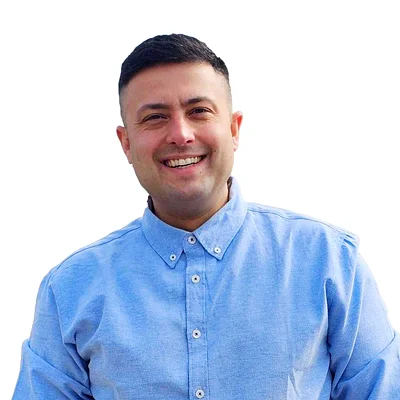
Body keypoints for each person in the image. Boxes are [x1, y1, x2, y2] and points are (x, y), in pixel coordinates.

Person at [13, 33, 400, 400]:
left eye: (198, 111)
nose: (180, 134)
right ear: (126, 143)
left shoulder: (329, 263)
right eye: (155, 117)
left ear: (234, 129)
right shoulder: (70, 290)